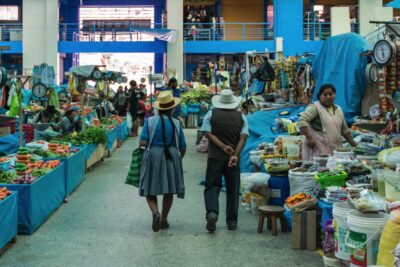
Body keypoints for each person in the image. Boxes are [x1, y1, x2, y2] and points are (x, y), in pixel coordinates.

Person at [200, 89, 248, 232]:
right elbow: (243, 137)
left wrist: (222, 146)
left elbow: (207, 133)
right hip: (233, 158)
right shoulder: (241, 117)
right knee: (233, 189)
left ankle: (212, 213)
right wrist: (235, 154)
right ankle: (232, 221)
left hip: (215, 157)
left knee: (212, 186)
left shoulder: (211, 114)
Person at [139, 91, 186, 232]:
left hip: (154, 155)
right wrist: (177, 159)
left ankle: (155, 212)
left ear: (158, 108)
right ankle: (164, 219)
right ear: (172, 109)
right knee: (169, 189)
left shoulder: (150, 121)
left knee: (148, 187)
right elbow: (182, 146)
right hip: (171, 156)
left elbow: (143, 141)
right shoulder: (177, 123)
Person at [297, 84, 357, 161]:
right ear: (320, 96)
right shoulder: (315, 107)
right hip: (318, 150)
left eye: (331, 94)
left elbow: (345, 130)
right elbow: (302, 121)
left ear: (334, 95)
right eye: (325, 94)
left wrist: (355, 146)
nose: (328, 97)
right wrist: (309, 138)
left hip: (335, 150)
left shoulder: (338, 109)